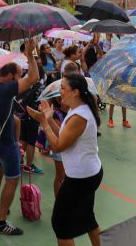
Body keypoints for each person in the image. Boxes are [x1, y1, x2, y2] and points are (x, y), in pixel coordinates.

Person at [27, 74, 103, 246]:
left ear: (75, 92)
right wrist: (49, 118)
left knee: (61, 225)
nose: (59, 92)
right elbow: (65, 134)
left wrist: (43, 123)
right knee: (88, 219)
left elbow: (59, 146)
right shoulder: (78, 110)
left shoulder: (79, 116)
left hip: (81, 178)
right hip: (87, 173)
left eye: (63, 88)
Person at [0, 39, 39, 236]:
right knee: (12, 180)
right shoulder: (6, 89)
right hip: (6, 143)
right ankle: (1, 223)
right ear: (10, 76)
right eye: (19, 76)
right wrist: (30, 54)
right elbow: (34, 77)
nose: (21, 79)